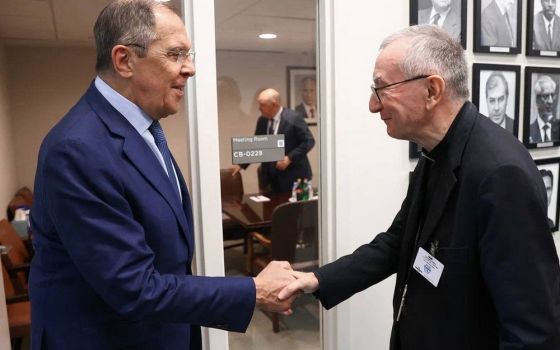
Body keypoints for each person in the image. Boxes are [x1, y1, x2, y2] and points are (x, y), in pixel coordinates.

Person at [29, 1, 297, 349]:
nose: (191, 68)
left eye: (190, 54)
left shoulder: (143, 128)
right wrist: (254, 289)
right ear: (124, 60)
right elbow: (133, 286)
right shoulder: (77, 149)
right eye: (176, 54)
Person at [279, 25, 560, 350]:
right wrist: (317, 280)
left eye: (382, 88)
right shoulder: (434, 151)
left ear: (432, 90)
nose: (373, 104)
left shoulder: (500, 173)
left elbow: (534, 331)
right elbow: (399, 243)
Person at [231, 88, 315, 193]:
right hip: (272, 179)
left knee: (294, 209)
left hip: (294, 177)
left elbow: (309, 141)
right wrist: (241, 164)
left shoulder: (293, 118)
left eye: (262, 105)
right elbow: (258, 144)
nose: (259, 108)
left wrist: (289, 158)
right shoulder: (262, 121)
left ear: (274, 105)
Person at [529, 75, 560, 143]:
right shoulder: (529, 131)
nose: (550, 101)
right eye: (546, 96)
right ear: (537, 100)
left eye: (552, 95)